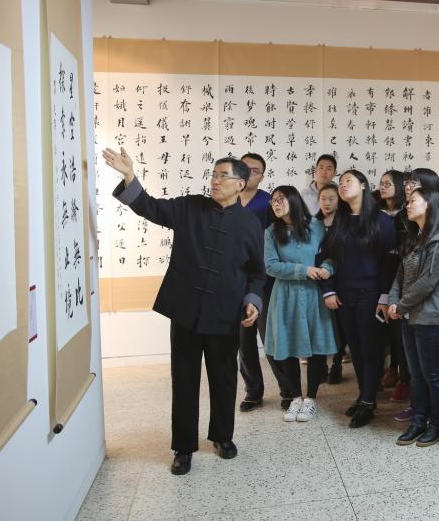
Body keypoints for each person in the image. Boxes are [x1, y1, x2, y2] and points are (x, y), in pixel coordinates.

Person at [101, 147, 266, 476]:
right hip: (186, 312)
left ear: (240, 184)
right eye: (214, 175)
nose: (215, 181)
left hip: (225, 313)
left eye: (223, 176)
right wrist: (130, 176)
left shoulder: (250, 224)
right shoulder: (190, 207)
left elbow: (256, 273)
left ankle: (222, 437)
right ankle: (183, 447)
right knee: (184, 379)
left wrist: (253, 300)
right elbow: (150, 207)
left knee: (223, 378)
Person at [321, 169, 398, 429]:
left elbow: (390, 261)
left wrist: (384, 296)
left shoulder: (381, 219)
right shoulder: (340, 220)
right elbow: (327, 257)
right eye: (341, 182)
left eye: (349, 181)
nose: (343, 186)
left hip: (371, 294)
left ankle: (368, 400)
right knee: (355, 348)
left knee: (370, 348)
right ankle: (364, 395)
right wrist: (329, 290)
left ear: (363, 186)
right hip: (345, 294)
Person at [389, 185, 439, 447]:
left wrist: (401, 305)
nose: (408, 205)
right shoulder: (417, 237)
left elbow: (427, 282)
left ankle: (437, 425)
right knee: (415, 375)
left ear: (429, 204)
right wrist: (394, 301)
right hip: (409, 317)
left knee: (433, 375)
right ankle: (418, 421)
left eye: (413, 201)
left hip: (430, 319)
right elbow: (401, 274)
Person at [264, 186, 336, 423]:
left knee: (316, 346)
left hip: (314, 293)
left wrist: (327, 268)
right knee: (287, 346)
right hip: (285, 295)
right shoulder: (271, 232)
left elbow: (331, 255)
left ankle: (311, 398)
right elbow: (271, 266)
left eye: (280, 199)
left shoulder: (316, 226)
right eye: (273, 201)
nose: (275, 204)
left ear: (294, 200)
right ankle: (295, 396)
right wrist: (303, 270)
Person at [237, 153, 272, 413]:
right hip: (234, 279)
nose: (250, 173)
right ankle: (253, 391)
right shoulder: (226, 199)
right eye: (245, 168)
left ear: (262, 175)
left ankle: (287, 389)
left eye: (256, 170)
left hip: (263, 278)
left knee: (270, 335)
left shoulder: (268, 202)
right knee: (243, 339)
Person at [377, 170, 411, 400]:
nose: (383, 187)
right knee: (385, 329)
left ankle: (403, 377)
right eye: (381, 183)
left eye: (388, 183)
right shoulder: (374, 211)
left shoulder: (408, 212)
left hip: (402, 273)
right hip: (380, 273)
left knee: (400, 330)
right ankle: (391, 369)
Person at [315, 184, 348, 385]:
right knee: (321, 324)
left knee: (340, 327)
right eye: (323, 198)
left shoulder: (345, 223)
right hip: (317, 280)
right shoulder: (312, 223)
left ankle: (337, 363)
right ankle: (321, 367)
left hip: (341, 280)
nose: (326, 203)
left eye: (331, 198)